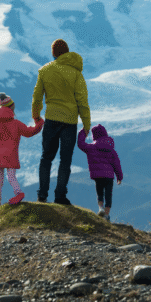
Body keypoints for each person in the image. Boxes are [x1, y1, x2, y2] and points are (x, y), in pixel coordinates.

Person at [32, 39, 91, 205]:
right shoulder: (76, 73)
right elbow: (82, 101)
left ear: (53, 53)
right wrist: (87, 124)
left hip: (51, 119)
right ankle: (60, 196)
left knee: (46, 158)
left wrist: (36, 115)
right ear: (67, 52)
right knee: (65, 161)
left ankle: (42, 195)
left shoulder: (45, 70)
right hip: (70, 122)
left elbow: (37, 97)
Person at [0, 93, 43, 209]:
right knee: (11, 176)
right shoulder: (15, 123)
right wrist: (39, 123)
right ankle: (18, 193)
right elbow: (29, 132)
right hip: (11, 154)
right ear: (11, 107)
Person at [77, 124, 123, 221]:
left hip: (98, 176)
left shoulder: (91, 147)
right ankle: (106, 215)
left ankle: (100, 208)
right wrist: (119, 177)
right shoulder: (111, 149)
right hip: (109, 176)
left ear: (94, 136)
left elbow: (80, 144)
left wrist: (83, 132)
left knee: (100, 193)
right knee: (108, 195)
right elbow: (116, 164)